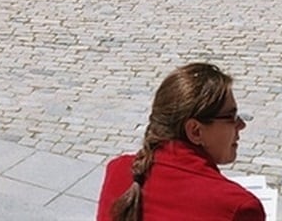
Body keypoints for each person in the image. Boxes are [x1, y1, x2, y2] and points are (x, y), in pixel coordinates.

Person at [97, 62, 264, 221]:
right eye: (231, 117)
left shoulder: (118, 170)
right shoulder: (239, 207)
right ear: (195, 131)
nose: (241, 125)